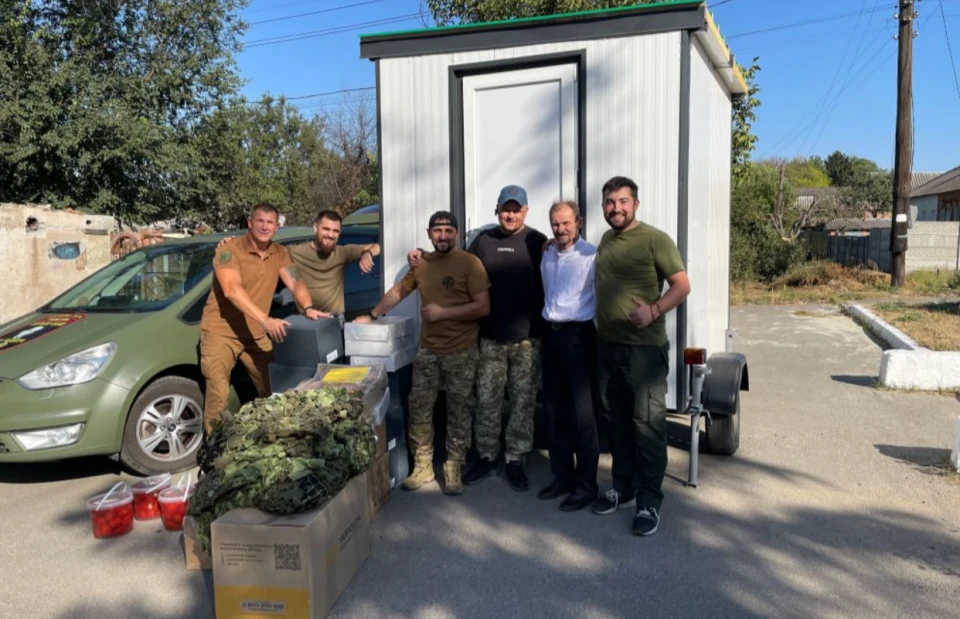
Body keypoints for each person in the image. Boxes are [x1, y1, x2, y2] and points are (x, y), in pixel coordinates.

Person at [407, 185, 546, 492]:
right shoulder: (483, 241)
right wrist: (419, 254)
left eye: (516, 209)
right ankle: (486, 455)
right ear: (497, 210)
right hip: (490, 338)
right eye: (505, 208)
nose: (510, 214)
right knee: (487, 401)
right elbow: (451, 263)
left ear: (526, 210)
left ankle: (515, 459)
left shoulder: (538, 242)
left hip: (528, 338)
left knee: (523, 402)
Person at [354, 211, 490, 496]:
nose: (442, 236)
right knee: (419, 407)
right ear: (429, 234)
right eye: (437, 230)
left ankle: (454, 466)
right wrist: (373, 313)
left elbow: (482, 307)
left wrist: (443, 313)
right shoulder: (421, 264)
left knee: (459, 410)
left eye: (448, 230)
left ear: (456, 233)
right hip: (428, 350)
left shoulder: (470, 263)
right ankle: (424, 466)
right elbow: (398, 292)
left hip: (462, 350)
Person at [590, 176, 691, 537]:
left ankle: (649, 500)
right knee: (616, 422)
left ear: (635, 203)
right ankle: (623, 486)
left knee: (647, 425)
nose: (615, 208)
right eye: (609, 202)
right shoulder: (605, 240)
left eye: (622, 201)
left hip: (644, 351)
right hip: (607, 346)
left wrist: (654, 310)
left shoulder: (654, 239)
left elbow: (682, 284)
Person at [199, 203, 321, 432]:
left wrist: (308, 307)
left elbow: (295, 281)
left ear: (277, 226)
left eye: (270, 222)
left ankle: (273, 438)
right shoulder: (229, 250)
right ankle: (214, 452)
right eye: (260, 221)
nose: (265, 226)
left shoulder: (279, 253)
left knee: (274, 386)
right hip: (221, 331)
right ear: (250, 222)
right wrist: (266, 320)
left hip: (255, 330)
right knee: (218, 395)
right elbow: (231, 289)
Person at [537, 200, 600, 511]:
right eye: (555, 224)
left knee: (583, 416)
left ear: (579, 222)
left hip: (579, 338)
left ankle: (587, 485)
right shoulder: (547, 252)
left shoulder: (592, 255)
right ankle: (562, 476)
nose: (560, 229)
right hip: (551, 336)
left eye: (566, 223)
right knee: (553, 412)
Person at [217, 209, 380, 319]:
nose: (330, 235)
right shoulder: (294, 252)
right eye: (326, 229)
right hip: (304, 320)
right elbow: (262, 246)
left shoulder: (343, 253)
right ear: (315, 228)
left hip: (334, 321)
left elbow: (379, 246)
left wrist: (367, 253)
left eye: (335, 231)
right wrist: (232, 242)